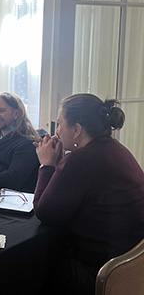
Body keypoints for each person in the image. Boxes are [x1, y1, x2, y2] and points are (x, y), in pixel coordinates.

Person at [33, 93, 144, 295]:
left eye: (60, 124)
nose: (56, 132)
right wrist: (59, 164)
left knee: (29, 267)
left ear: (76, 129)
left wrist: (46, 165)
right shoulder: (116, 149)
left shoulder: (80, 160)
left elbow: (45, 212)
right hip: (133, 265)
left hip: (103, 270)